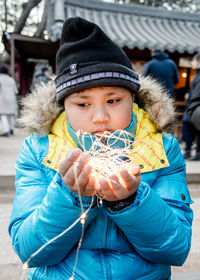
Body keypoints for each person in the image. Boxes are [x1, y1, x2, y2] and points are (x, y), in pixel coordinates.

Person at [9, 17, 193, 280]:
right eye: (82, 104)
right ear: (65, 106)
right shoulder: (40, 150)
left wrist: (131, 200)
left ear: (133, 99)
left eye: (114, 100)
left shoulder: (161, 148)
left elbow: (175, 249)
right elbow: (31, 251)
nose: (100, 117)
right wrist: (72, 197)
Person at [182, 53, 200, 160]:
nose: (192, 63)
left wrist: (191, 99)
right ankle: (192, 151)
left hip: (195, 106)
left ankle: (193, 151)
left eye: (193, 60)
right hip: (194, 105)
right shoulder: (197, 74)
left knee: (188, 126)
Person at [0, 64, 18, 136]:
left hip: (3, 98)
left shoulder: (0, 78)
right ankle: (12, 129)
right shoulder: (11, 79)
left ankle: (6, 131)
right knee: (11, 115)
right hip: (12, 98)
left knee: (3, 114)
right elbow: (16, 91)